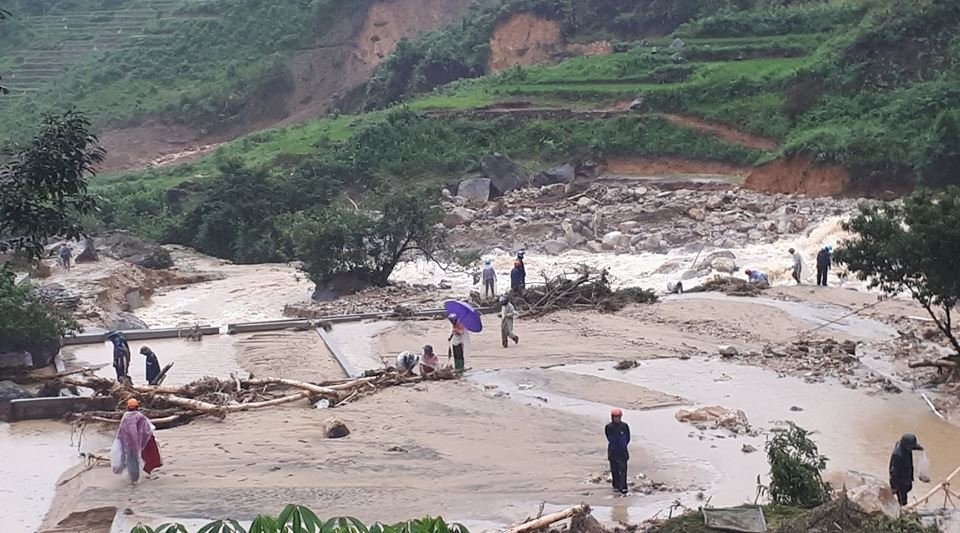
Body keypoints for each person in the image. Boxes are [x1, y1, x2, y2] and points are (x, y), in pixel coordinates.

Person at [113, 398, 154, 484]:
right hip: (136, 442)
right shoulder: (140, 416)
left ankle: (132, 478)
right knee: (135, 459)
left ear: (128, 407)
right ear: (137, 406)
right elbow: (145, 429)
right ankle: (135, 478)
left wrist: (121, 440)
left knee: (128, 459)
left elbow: (121, 430)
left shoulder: (126, 416)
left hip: (126, 442)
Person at [890, 433, 924, 506]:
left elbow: (912, 447)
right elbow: (893, 473)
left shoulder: (903, 446)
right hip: (900, 482)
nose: (911, 448)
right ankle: (902, 509)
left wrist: (920, 449)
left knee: (905, 491)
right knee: (902, 499)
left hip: (906, 477)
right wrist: (894, 486)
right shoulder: (898, 456)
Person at [605, 408, 631, 495]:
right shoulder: (609, 427)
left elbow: (628, 438)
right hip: (613, 450)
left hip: (622, 451)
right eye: (615, 417)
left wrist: (623, 445)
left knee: (623, 470)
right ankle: (616, 486)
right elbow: (608, 437)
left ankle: (623, 486)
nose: (617, 419)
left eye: (618, 417)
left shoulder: (624, 426)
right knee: (614, 469)